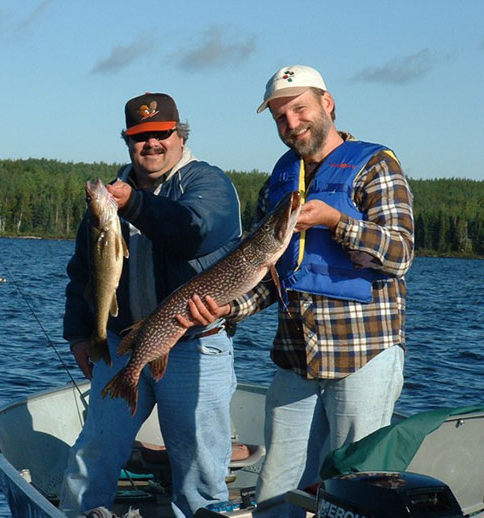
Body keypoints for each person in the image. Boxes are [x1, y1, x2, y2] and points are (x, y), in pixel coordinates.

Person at [178, 65, 415, 517]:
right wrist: (226, 308)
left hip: (362, 352)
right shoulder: (282, 178)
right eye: (280, 117)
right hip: (295, 355)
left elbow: (401, 254)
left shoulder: (376, 164)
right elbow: (266, 272)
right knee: (277, 485)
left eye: (299, 109)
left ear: (327, 103)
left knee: (353, 485)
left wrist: (336, 221)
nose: (291, 124)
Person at [59, 92, 243, 518]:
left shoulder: (206, 184)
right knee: (94, 453)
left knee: (199, 469)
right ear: (127, 141)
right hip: (124, 346)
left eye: (162, 134)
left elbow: (191, 232)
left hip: (197, 345)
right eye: (141, 137)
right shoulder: (108, 199)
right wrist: (79, 334)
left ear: (180, 134)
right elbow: (85, 273)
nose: (152, 144)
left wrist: (136, 205)